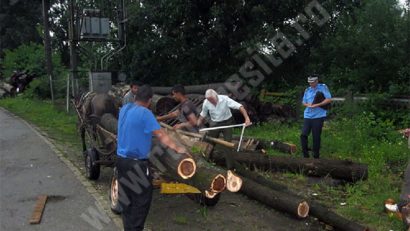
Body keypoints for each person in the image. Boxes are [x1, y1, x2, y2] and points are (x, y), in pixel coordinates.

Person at [116, 85, 188, 231]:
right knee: (141, 201)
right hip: (136, 164)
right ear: (149, 100)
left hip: (121, 161)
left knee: (127, 198)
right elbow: (161, 135)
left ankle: (128, 228)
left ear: (135, 96)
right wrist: (178, 148)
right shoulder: (145, 113)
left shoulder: (125, 109)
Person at [197, 89, 251, 169]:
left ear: (216, 96)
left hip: (227, 123)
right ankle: (206, 162)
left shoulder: (225, 99)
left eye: (212, 100)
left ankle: (231, 168)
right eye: (209, 100)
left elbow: (240, 107)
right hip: (215, 124)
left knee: (227, 145)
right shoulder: (206, 102)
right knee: (208, 141)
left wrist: (247, 118)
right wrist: (198, 122)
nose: (211, 102)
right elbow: (203, 114)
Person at [300, 74, 332, 159]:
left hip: (318, 116)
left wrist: (317, 104)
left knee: (316, 136)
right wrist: (308, 104)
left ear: (317, 81)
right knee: (303, 135)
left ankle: (316, 157)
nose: (311, 84)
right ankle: (305, 156)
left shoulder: (323, 87)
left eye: (312, 82)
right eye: (309, 82)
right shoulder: (307, 90)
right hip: (307, 115)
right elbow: (303, 102)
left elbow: (329, 99)